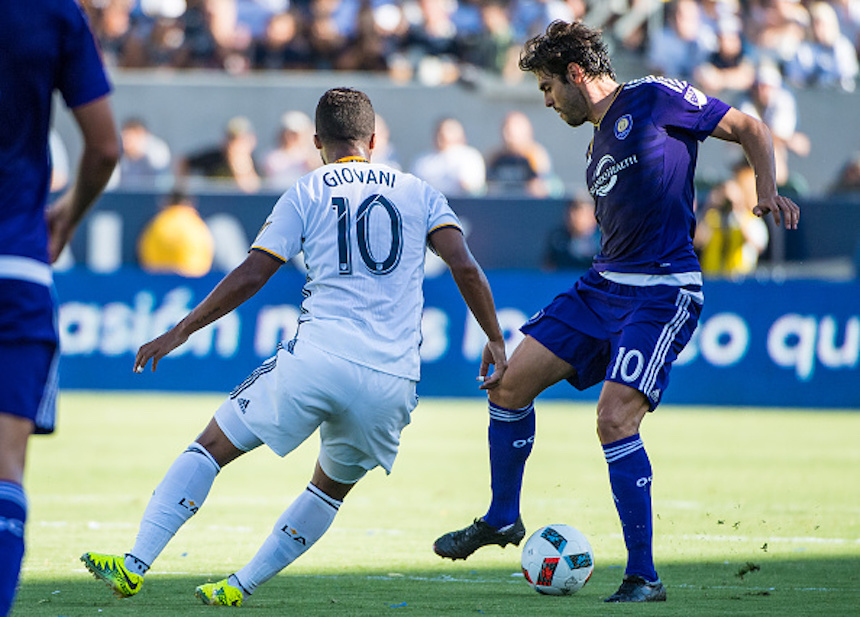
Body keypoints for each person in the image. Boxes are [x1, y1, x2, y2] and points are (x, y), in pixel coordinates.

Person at [80, 87, 507, 607]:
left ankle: (135, 563)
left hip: (319, 359)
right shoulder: (419, 191)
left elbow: (254, 272)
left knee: (211, 447)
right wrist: (494, 337)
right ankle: (239, 586)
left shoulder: (307, 190)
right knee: (328, 489)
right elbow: (464, 266)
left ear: (316, 142)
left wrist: (183, 329)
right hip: (393, 381)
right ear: (374, 139)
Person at [433, 19, 799, 603]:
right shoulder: (597, 141)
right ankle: (503, 516)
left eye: (548, 87)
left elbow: (751, 126)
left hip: (662, 290)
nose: (547, 100)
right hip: (603, 287)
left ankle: (643, 576)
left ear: (576, 74)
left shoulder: (656, 96)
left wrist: (764, 188)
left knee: (613, 419)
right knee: (505, 387)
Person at [0, 3, 120, 616]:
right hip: (15, 265)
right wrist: (66, 217)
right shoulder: (52, 11)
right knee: (5, 467)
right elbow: (103, 148)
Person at [694, 161, 770, 277]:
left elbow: (758, 245)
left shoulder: (751, 220)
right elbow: (698, 241)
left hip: (741, 281)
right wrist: (710, 206)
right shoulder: (712, 218)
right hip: (712, 280)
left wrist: (737, 207)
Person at [137, 190, 215, 277]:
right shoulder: (196, 223)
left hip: (159, 276)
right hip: (191, 277)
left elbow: (145, 252)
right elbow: (206, 253)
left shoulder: (158, 222)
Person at [178, 115, 262, 193]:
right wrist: (184, 187)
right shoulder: (213, 158)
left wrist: (240, 164)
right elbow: (184, 161)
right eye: (230, 138)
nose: (233, 144)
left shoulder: (254, 162)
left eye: (239, 140)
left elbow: (252, 189)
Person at [411, 117, 487, 197]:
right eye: (438, 131)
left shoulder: (470, 157)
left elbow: (473, 189)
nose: (441, 135)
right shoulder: (422, 160)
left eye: (448, 130)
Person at [543, 196, 601, 270]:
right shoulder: (557, 239)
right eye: (570, 212)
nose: (572, 217)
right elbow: (547, 268)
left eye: (579, 211)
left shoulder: (604, 242)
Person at [116, 117, 173, 188]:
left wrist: (138, 152)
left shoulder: (157, 149)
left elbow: (161, 181)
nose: (125, 143)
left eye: (129, 139)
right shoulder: (119, 149)